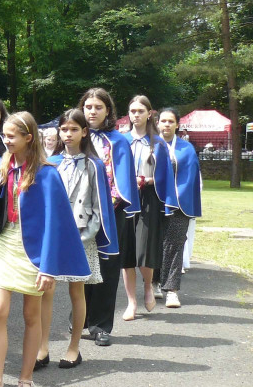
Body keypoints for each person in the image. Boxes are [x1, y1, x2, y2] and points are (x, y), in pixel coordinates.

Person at [0, 112, 89, 387]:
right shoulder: (0, 168)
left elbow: (55, 224)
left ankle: (25, 380)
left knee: (31, 316)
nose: (6, 141)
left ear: (28, 138)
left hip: (34, 253)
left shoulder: (47, 174)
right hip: (4, 244)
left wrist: (48, 267)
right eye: (5, 136)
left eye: (12, 136)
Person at [38, 109, 117, 369]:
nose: (68, 134)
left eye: (74, 129)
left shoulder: (94, 164)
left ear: (84, 132)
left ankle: (74, 347)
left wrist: (86, 235)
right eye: (64, 129)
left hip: (82, 236)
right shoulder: (51, 162)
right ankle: (43, 346)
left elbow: (99, 206)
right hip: (55, 235)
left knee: (77, 289)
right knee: (46, 290)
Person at [79, 88, 140, 347]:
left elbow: (123, 181)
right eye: (88, 107)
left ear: (108, 111)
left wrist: (105, 205)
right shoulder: (74, 136)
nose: (92, 111)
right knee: (81, 267)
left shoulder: (119, 141)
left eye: (98, 107)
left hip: (111, 213)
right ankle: (81, 316)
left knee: (107, 267)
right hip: (79, 213)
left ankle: (101, 325)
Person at [121, 95, 167, 321]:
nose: (135, 115)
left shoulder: (158, 143)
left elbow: (166, 176)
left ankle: (148, 285)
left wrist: (147, 181)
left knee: (143, 250)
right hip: (125, 199)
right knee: (126, 254)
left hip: (149, 197)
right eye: (132, 111)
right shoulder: (122, 141)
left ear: (149, 113)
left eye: (140, 111)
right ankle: (131, 302)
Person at [156, 108, 202, 308]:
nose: (166, 124)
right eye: (163, 121)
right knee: (153, 246)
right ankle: (153, 282)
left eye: (170, 121)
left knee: (175, 246)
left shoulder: (187, 149)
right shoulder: (149, 145)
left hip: (178, 206)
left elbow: (190, 178)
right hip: (153, 204)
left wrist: (176, 199)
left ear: (177, 125)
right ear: (157, 123)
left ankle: (172, 291)